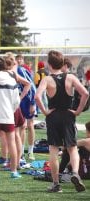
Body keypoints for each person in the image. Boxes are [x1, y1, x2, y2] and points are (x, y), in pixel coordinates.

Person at [35, 50, 89, 192]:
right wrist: (77, 111)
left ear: (49, 64)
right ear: (62, 63)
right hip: (67, 115)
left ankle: (56, 184)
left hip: (53, 116)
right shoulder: (70, 77)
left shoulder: (47, 79)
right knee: (72, 148)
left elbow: (37, 97)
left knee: (53, 149)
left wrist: (45, 111)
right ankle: (75, 173)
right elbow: (85, 93)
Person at [15, 54, 37, 161]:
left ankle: (31, 151)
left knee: (30, 125)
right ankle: (21, 152)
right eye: (17, 59)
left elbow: (32, 86)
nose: (19, 60)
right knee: (22, 126)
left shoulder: (22, 70)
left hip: (28, 100)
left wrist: (33, 103)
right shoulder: (13, 71)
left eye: (20, 59)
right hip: (19, 101)